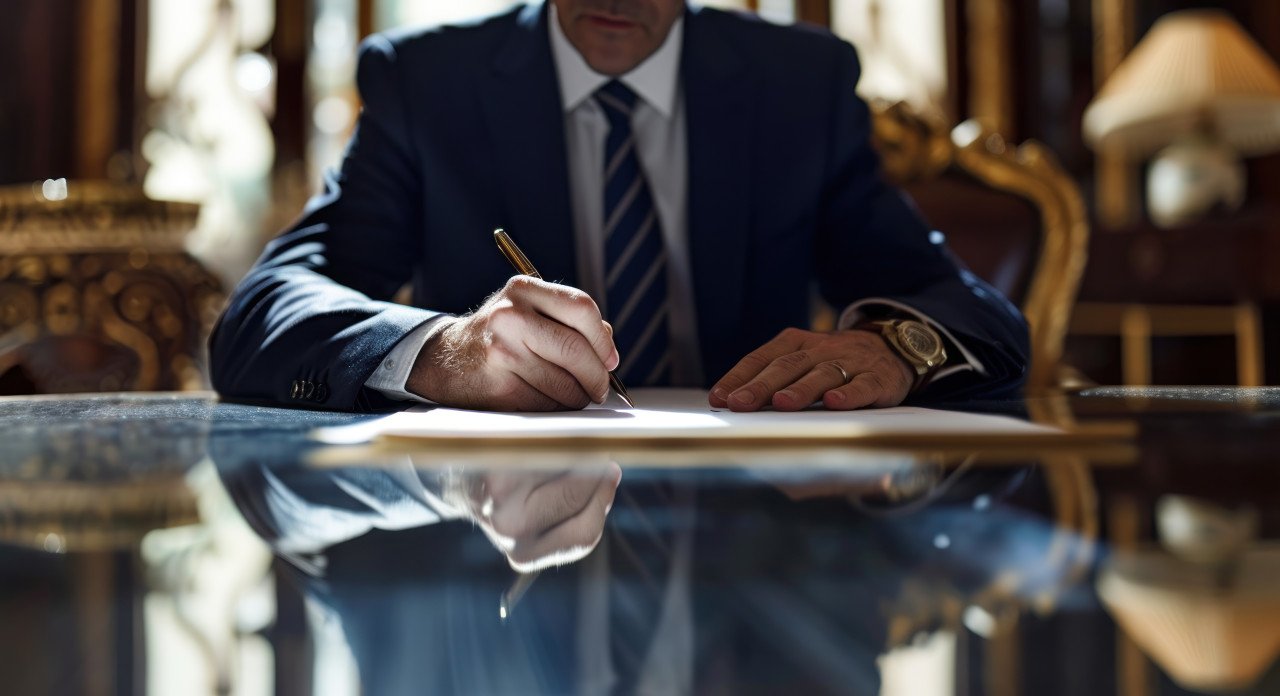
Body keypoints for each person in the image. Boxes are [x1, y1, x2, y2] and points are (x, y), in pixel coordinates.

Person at [209, 0, 1029, 414]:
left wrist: (893, 348)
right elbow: (262, 313)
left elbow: (967, 307)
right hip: (488, 552)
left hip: (752, 558)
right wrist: (445, 353)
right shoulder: (426, 83)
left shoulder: (798, 86)